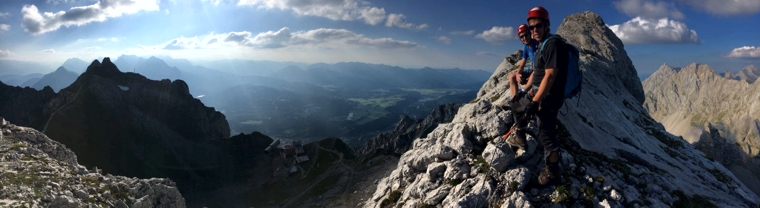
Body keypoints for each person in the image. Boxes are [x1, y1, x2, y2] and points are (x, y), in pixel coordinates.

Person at [507, 6, 569, 186]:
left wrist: (534, 101)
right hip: (538, 93)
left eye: (538, 26)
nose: (534, 30)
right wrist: (528, 91)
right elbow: (538, 72)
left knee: (546, 135)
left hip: (549, 99)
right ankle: (520, 137)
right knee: (517, 106)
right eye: (531, 27)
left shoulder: (553, 44)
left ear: (547, 25)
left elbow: (550, 77)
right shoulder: (541, 45)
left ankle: (552, 172)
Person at [508, 24, 539, 100]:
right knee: (512, 76)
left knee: (534, 73)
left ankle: (522, 93)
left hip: (539, 72)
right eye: (522, 36)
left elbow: (539, 67)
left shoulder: (537, 44)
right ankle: (515, 100)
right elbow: (522, 64)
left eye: (526, 35)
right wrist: (518, 74)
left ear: (530, 33)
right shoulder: (526, 47)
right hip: (533, 72)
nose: (524, 38)